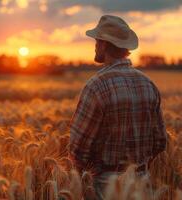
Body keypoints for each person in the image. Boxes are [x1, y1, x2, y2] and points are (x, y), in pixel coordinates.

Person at [69, 15, 167, 200]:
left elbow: (78, 147)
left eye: (97, 41)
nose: (95, 45)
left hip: (105, 186)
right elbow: (160, 142)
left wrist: (88, 177)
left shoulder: (96, 86)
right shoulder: (148, 84)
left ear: (105, 45)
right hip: (142, 184)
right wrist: (137, 168)